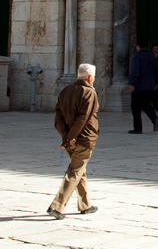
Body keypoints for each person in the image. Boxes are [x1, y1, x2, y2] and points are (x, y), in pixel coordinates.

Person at [48, 63, 100, 219]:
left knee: (79, 171)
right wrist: (71, 137)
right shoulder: (89, 93)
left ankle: (85, 205)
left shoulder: (65, 91)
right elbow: (83, 118)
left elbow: (58, 118)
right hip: (83, 139)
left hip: (70, 139)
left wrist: (65, 136)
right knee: (75, 172)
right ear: (90, 77)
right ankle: (57, 206)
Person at [128, 41, 158, 134]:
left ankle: (138, 128)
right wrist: (156, 83)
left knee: (135, 107)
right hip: (149, 86)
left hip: (139, 86)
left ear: (138, 47)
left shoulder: (137, 56)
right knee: (145, 104)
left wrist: (132, 84)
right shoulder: (152, 57)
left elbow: (135, 72)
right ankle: (154, 119)